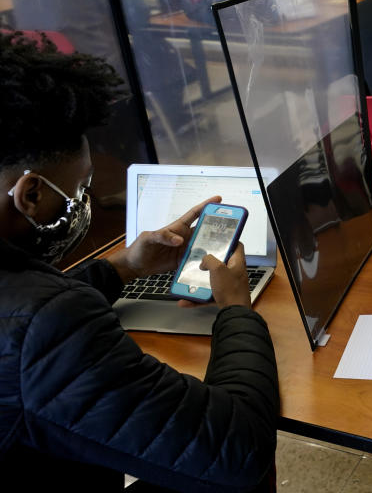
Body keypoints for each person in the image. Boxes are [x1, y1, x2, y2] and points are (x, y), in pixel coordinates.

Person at [0, 32, 278, 491]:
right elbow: (239, 448)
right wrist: (235, 310)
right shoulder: (52, 323)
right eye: (77, 189)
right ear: (30, 194)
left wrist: (124, 267)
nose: (81, 201)